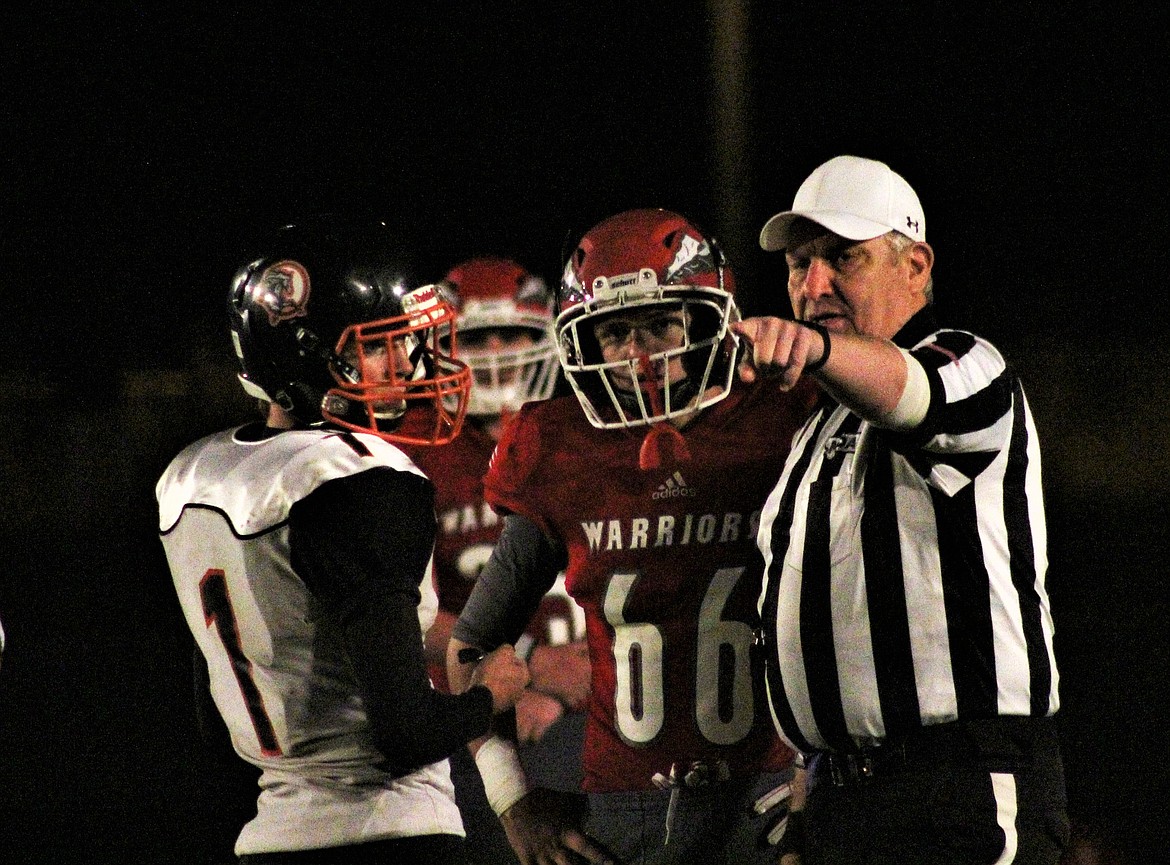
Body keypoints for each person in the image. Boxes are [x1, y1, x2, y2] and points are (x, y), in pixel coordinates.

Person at [446, 209, 818, 865]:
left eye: (658, 324)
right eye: (614, 331)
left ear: (707, 319)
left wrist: (823, 777)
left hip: (768, 791)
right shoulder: (556, 445)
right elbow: (470, 648)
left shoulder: (785, 418)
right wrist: (515, 803)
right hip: (624, 808)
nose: (639, 353)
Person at [156, 218, 530, 864]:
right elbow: (405, 732)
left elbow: (214, 721)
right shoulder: (360, 480)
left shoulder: (192, 476)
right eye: (376, 346)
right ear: (310, 355)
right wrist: (489, 694)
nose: (404, 363)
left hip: (271, 837)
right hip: (393, 833)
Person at [735, 155, 1069, 864]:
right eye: (799, 264)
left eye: (842, 257)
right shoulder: (818, 428)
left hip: (957, 785)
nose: (812, 284)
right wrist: (804, 807)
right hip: (842, 798)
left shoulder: (971, 362)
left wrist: (816, 347)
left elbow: (910, 393)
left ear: (915, 266)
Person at [405, 256, 589, 865]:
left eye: (514, 334)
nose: (498, 352)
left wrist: (578, 679)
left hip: (603, 705)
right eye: (478, 337)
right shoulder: (412, 452)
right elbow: (405, 616)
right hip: (472, 719)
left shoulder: (583, 430)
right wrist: (533, 670)